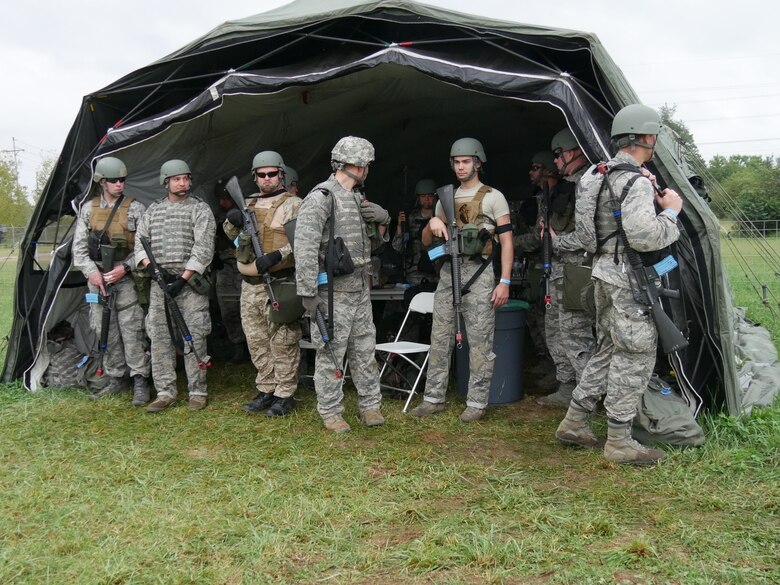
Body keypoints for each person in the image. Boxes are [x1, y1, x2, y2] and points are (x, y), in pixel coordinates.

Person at [555, 104, 682, 465]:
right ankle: (619, 441)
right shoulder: (636, 181)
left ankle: (575, 420)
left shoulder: (594, 176)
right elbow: (643, 235)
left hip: (601, 274)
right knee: (636, 354)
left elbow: (583, 234)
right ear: (644, 137)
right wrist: (672, 211)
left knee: (608, 350)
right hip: (628, 279)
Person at [410, 137, 513, 422]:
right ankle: (433, 398)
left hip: (479, 275)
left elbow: (506, 241)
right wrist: (432, 222)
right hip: (449, 274)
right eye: (456, 162)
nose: (460, 167)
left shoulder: (493, 197)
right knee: (440, 337)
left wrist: (504, 281)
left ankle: (477, 403)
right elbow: (427, 242)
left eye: (466, 161)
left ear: (477, 162)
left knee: (480, 341)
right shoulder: (446, 197)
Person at [294, 136, 390, 432]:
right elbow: (305, 247)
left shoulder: (357, 198)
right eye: (366, 165)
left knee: (365, 349)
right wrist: (308, 293)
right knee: (330, 352)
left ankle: (370, 407)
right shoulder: (322, 197)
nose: (367, 170)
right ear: (357, 165)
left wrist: (383, 220)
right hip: (332, 291)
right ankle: (331, 411)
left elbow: (371, 244)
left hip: (360, 287)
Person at [224, 151, 303, 417]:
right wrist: (234, 221)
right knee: (256, 340)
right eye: (262, 175)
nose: (267, 179)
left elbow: (304, 242)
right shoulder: (248, 203)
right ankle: (267, 388)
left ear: (281, 175)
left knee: (283, 340)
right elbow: (231, 234)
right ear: (255, 178)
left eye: (272, 174)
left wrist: (278, 255)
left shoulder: (294, 204)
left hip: (279, 281)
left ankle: (285, 393)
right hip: (250, 285)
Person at [136, 160, 216, 412]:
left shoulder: (200, 209)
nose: (182, 183)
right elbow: (140, 243)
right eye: (176, 179)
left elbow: (203, 247)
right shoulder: (152, 211)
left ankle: (197, 390)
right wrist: (152, 269)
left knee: (195, 335)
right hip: (160, 282)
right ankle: (165, 391)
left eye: (185, 178)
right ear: (166, 182)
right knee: (159, 337)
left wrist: (182, 279)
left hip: (189, 283)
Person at [72, 156, 151, 405]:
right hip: (98, 277)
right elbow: (79, 249)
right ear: (102, 183)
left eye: (123, 180)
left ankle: (140, 378)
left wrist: (125, 269)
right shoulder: (88, 210)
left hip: (125, 277)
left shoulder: (136, 209)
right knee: (105, 328)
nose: (120, 184)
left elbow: (145, 247)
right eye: (114, 180)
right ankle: (116, 377)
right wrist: (92, 274)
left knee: (132, 329)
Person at [530, 129, 596, 407]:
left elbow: (589, 237)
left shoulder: (589, 183)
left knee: (576, 335)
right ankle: (568, 387)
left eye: (558, 155)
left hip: (578, 270)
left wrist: (556, 241)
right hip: (559, 271)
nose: (556, 162)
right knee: (556, 329)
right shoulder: (568, 186)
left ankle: (588, 396)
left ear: (571, 153)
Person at [512, 152, 557, 387]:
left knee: (548, 318)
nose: (531, 172)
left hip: (550, 265)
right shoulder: (540, 198)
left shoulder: (552, 198)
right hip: (536, 266)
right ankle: (545, 360)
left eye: (536, 167)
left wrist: (510, 242)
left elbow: (539, 239)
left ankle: (556, 366)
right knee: (535, 314)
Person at [212, 179, 248, 364]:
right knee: (228, 310)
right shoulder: (218, 219)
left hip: (245, 267)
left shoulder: (246, 214)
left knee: (248, 310)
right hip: (225, 269)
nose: (221, 202)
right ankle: (238, 347)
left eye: (224, 199)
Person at [392, 179, 439, 287]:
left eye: (430, 195)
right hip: (416, 275)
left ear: (435, 197)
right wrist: (400, 226)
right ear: (418, 198)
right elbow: (398, 247)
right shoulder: (410, 219)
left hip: (439, 272)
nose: (427, 199)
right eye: (423, 196)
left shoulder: (442, 217)